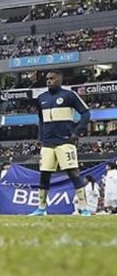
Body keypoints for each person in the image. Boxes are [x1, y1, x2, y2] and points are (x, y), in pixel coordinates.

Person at [29, 70, 92, 216]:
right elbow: (41, 120)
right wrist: (40, 137)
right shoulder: (41, 98)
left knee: (73, 173)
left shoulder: (69, 95)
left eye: (52, 78)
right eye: (47, 79)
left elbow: (86, 113)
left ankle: (83, 208)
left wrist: (77, 133)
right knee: (44, 175)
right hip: (47, 144)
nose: (48, 81)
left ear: (60, 80)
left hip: (65, 142)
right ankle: (41, 208)